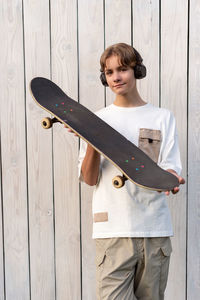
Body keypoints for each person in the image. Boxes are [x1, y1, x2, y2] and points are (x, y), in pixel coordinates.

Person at [69, 43, 185, 300]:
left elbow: (170, 167)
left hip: (154, 231)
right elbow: (89, 179)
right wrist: (92, 141)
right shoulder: (96, 119)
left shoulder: (162, 117)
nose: (116, 77)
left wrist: (170, 179)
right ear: (104, 77)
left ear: (137, 70)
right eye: (109, 72)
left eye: (122, 69)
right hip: (112, 232)